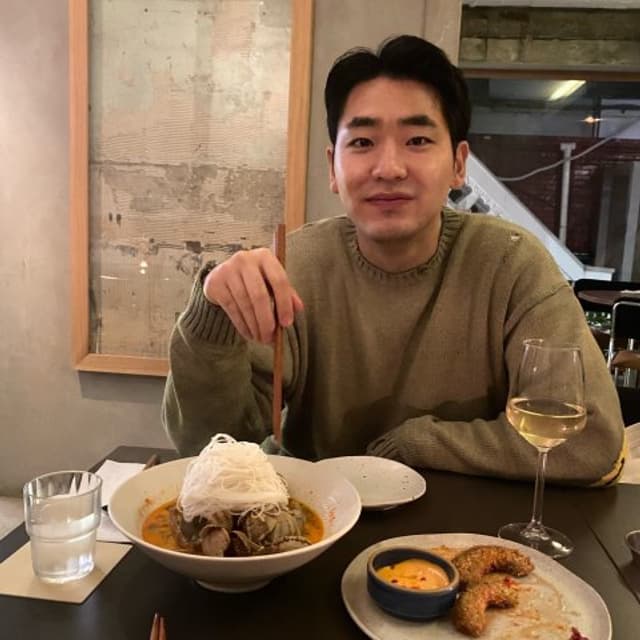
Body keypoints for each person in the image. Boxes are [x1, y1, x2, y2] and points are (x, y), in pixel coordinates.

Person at [162, 35, 625, 486]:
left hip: (466, 525)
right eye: (363, 142)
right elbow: (207, 445)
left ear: (458, 164)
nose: (388, 168)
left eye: (417, 140)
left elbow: (591, 439)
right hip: (318, 522)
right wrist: (213, 318)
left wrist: (421, 444)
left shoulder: (511, 263)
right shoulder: (298, 264)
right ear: (333, 167)